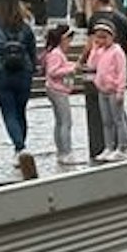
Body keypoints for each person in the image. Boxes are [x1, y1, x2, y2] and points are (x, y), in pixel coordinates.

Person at [0, 0, 38, 173]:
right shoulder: (26, 27)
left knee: (9, 113)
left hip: (1, 73)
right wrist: (32, 69)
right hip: (23, 73)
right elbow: (32, 51)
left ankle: (20, 147)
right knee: (21, 112)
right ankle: (20, 147)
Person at [85, 23, 127, 160]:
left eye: (104, 37)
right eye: (99, 37)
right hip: (102, 90)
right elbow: (92, 65)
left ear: (112, 36)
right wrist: (94, 49)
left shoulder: (117, 51)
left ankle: (122, 147)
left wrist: (120, 90)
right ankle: (108, 147)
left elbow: (122, 72)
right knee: (106, 121)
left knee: (118, 120)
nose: (102, 40)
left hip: (114, 90)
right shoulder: (101, 51)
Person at [42, 24, 78, 162]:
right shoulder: (56, 53)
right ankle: (66, 151)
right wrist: (70, 69)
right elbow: (53, 71)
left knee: (60, 122)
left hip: (55, 89)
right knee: (65, 122)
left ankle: (61, 151)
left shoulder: (56, 53)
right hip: (58, 90)